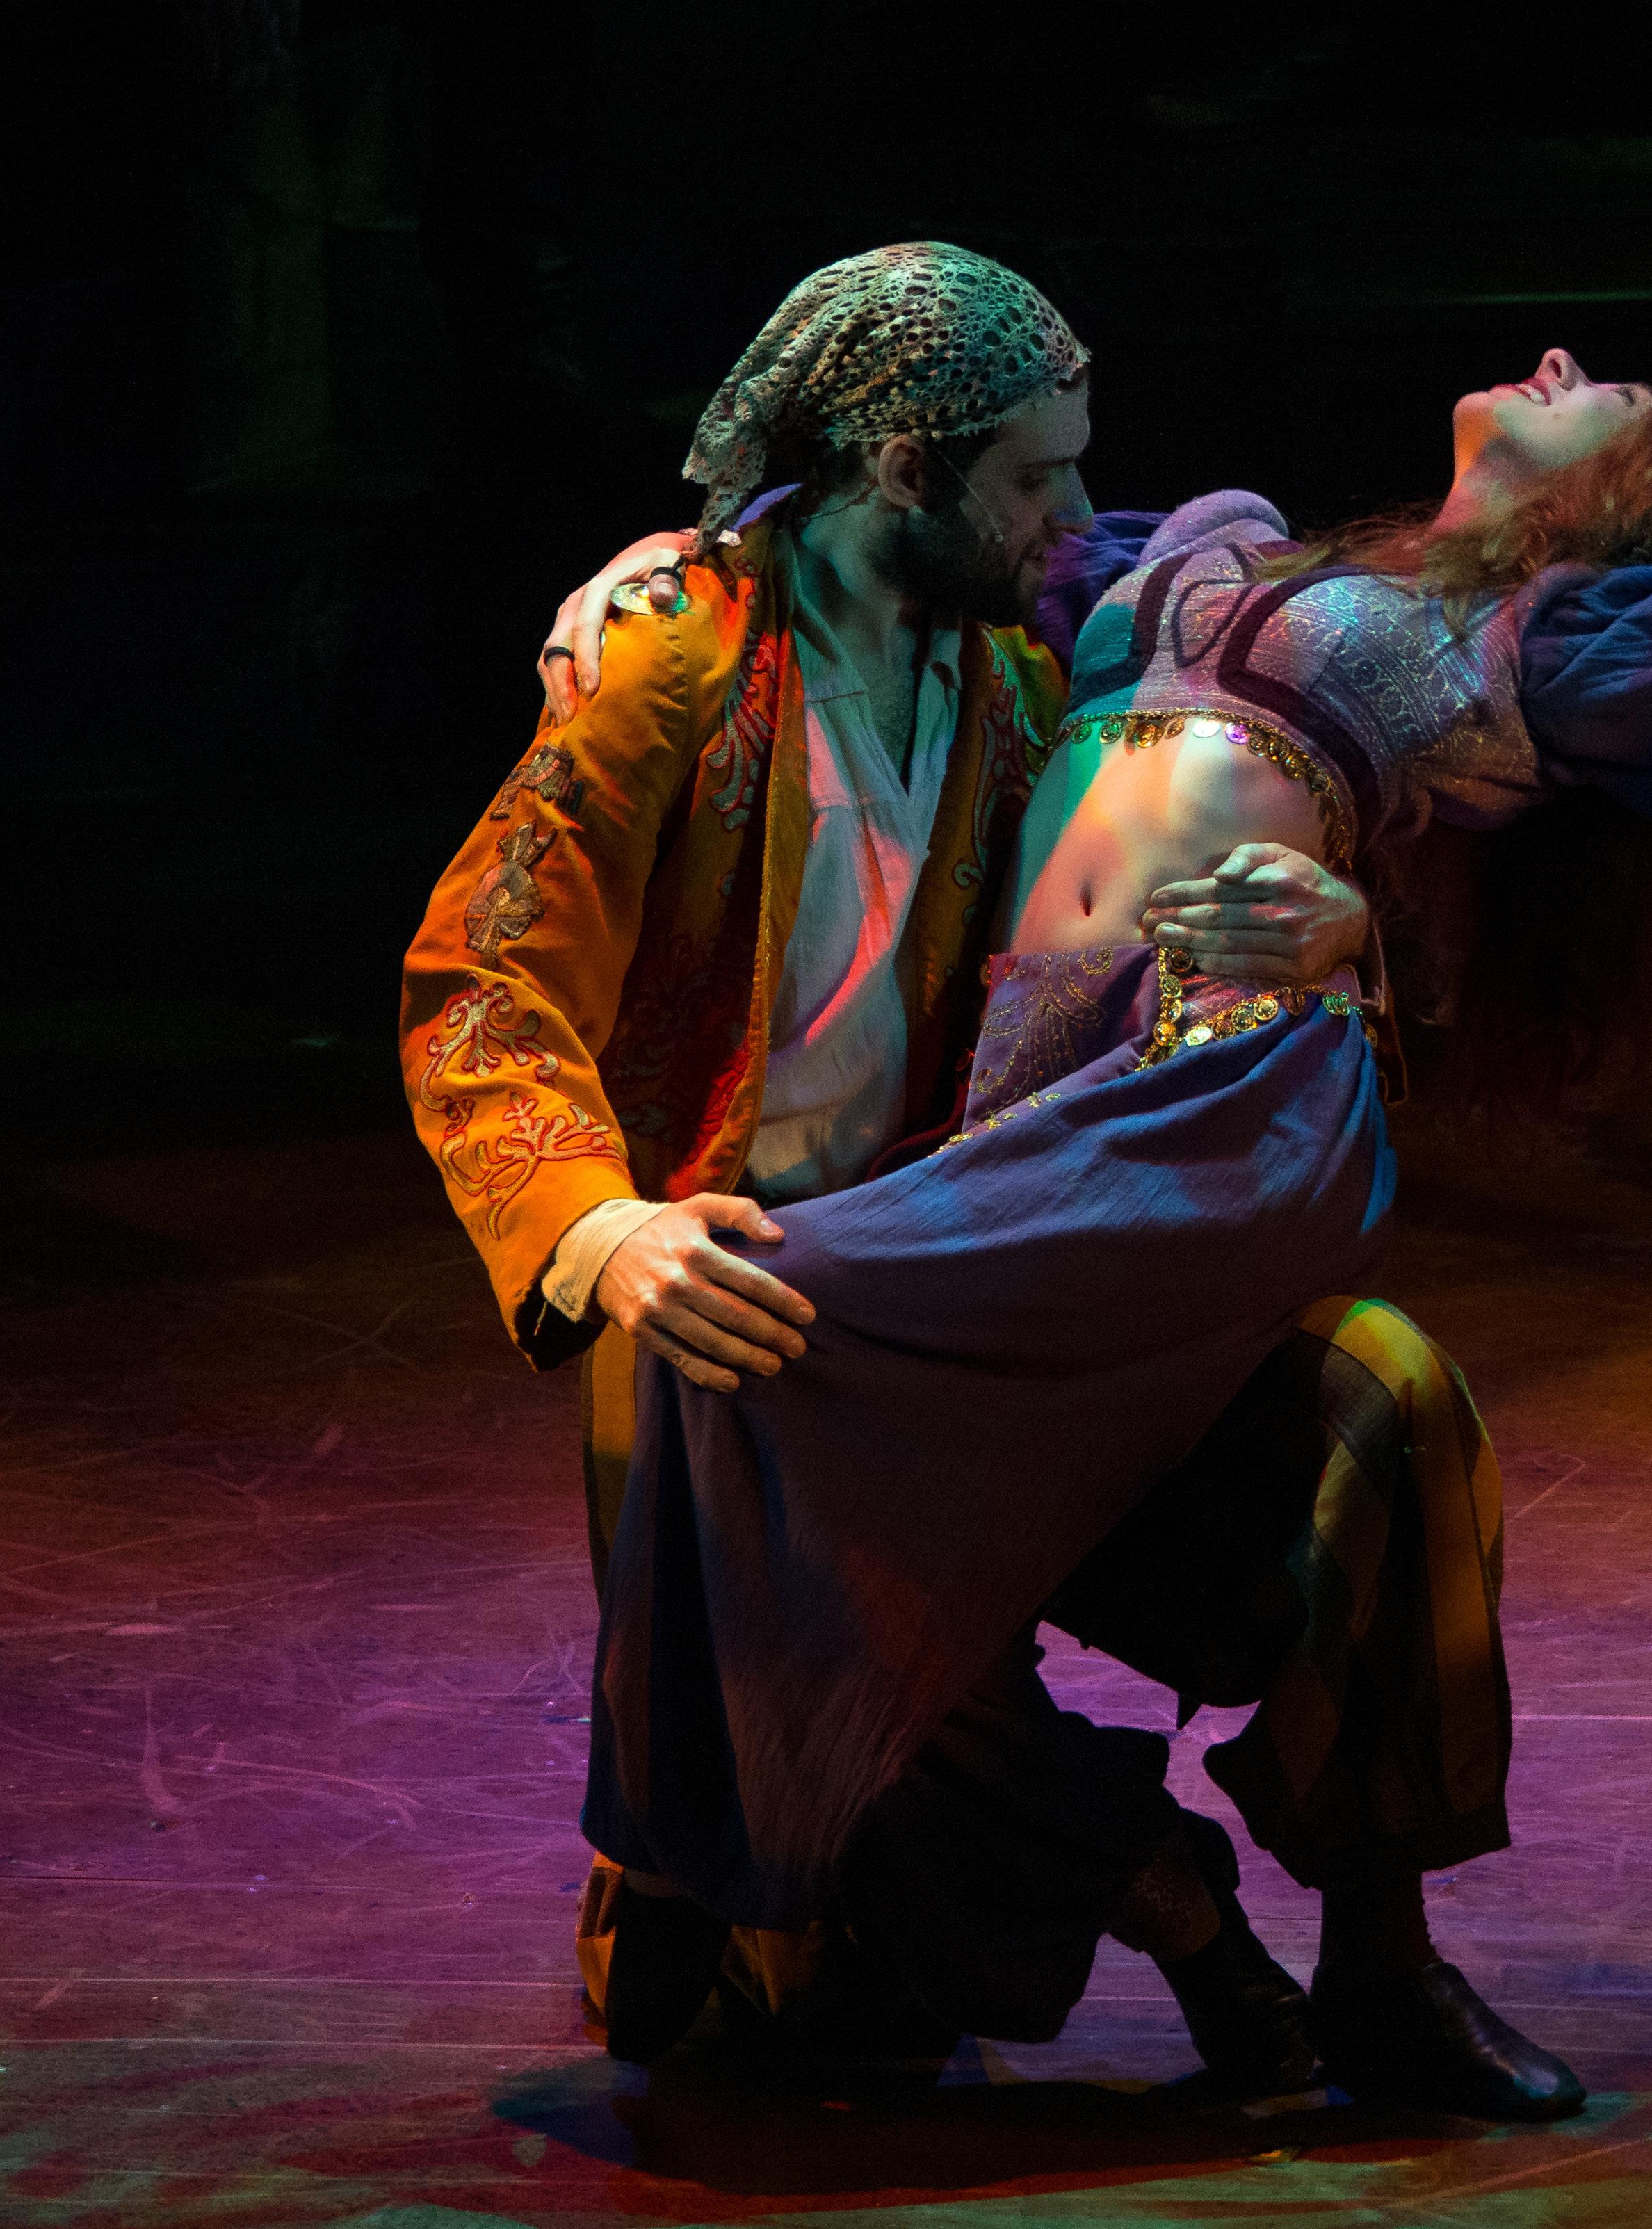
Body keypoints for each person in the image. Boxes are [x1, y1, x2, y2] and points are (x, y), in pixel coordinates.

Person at [560, 346, 1652, 2114]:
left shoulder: (1554, 643)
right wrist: (682, 568)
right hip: (1020, 1109)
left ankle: (1381, 1964)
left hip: (1213, 1095)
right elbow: (910, 523)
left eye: (1606, 389)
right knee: (737, 1353)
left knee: (1342, 1396)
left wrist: (1357, 929)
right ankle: (1115, 1879)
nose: (1556, 361)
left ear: (1633, 502)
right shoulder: (1212, 552)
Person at [401, 241, 1377, 2093]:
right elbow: (485, 980)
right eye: (1035, 476)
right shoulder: (672, 660)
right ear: (902, 467)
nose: (1074, 515)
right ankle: (1168, 1893)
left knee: (852, 1930)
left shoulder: (1008, 674)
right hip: (713, 1267)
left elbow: (1213, 623)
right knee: (786, 1964)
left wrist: (1328, 924)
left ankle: (714, 1847)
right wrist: (601, 1229)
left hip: (916, 1262)